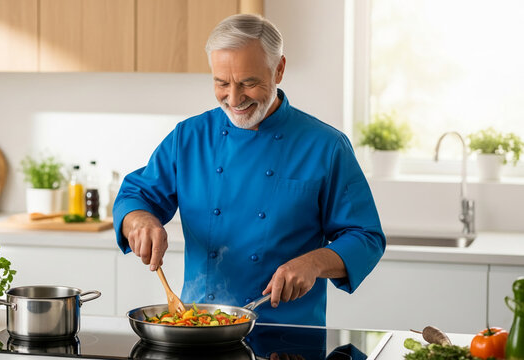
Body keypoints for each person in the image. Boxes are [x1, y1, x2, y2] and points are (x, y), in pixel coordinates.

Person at [113, 14, 385, 326]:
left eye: (248, 83)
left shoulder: (326, 146)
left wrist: (315, 262)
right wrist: (140, 223)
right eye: (221, 83)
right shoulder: (189, 137)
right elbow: (137, 195)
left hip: (289, 336)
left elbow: (366, 236)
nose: (233, 98)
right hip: (198, 327)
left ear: (279, 69)